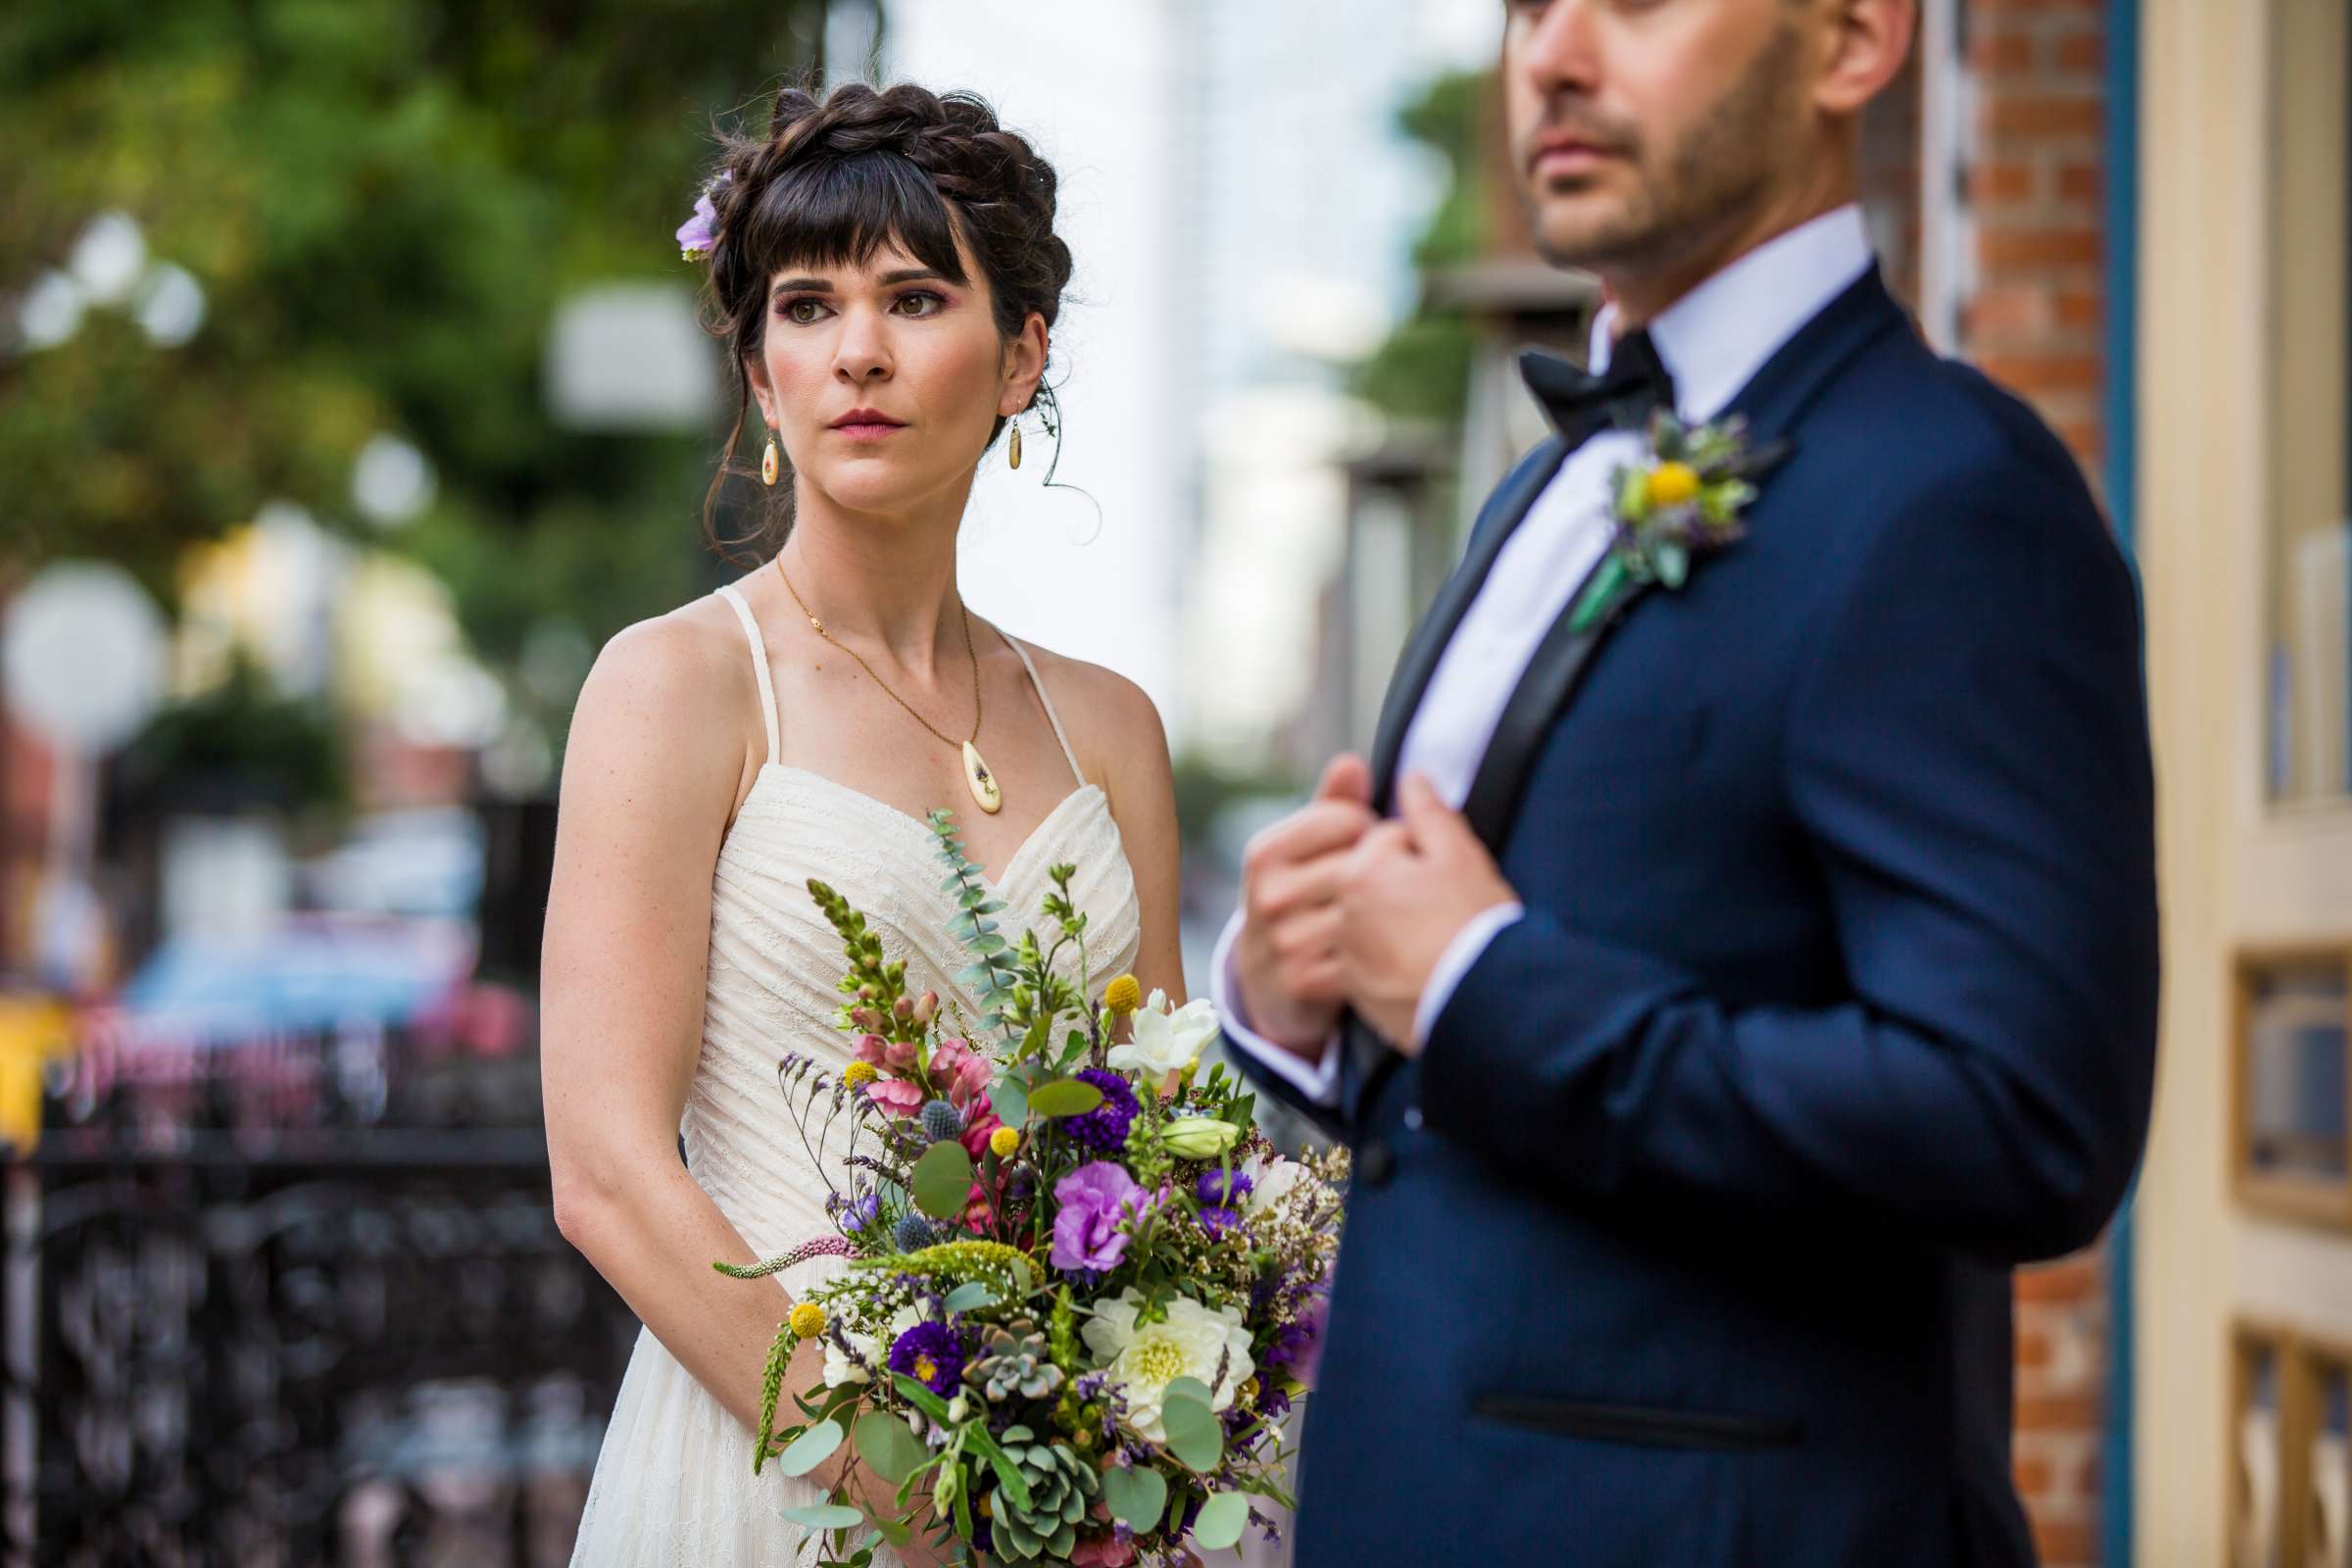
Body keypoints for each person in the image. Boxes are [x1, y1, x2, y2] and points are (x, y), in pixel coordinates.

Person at [1214, 2, 2159, 1563]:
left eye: (1635, 1)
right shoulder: (1539, 485)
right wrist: (1303, 992)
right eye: (1525, 8)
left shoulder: (1950, 496)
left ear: (1854, 40)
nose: (1555, 55)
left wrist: (1476, 984)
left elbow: (2020, 1119)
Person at [542, 82, 1183, 1567]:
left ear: (1022, 355)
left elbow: (1148, 1159)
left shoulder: (1115, 730)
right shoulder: (679, 686)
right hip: (773, 1470)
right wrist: (904, 1478)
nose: (859, 355)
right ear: (762, 379)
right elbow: (610, 1179)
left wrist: (1138, 1448)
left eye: (913, 296)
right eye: (808, 309)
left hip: (1069, 1503)